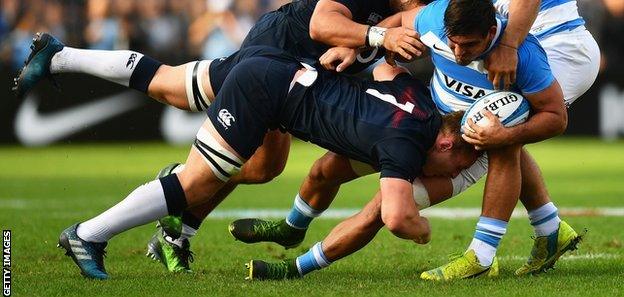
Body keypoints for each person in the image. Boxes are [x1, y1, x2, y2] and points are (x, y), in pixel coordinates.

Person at [13, 0, 430, 273]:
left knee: (176, 92)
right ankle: (144, 227)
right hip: (279, 55)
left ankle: (60, 55)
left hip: (288, 72)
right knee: (213, 168)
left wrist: (372, 42)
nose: (423, 9)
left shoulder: (402, 15)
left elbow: (389, 29)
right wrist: (376, 37)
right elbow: (324, 23)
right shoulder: (382, 14)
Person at [52, 44, 479, 280]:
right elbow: (398, 216)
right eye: (459, 166)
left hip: (283, 69)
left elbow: (389, 68)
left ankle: (59, 55)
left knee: (244, 158)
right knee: (197, 182)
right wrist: (425, 232)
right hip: (265, 89)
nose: (454, 175)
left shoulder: (420, 103)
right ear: (446, 145)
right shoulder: (407, 145)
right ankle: (88, 234)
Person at [242, 0, 583, 281]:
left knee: (384, 209)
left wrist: (504, 134)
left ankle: (296, 269)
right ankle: (292, 226)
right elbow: (402, 20)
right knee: (326, 168)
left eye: (470, 45)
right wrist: (357, 44)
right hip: (424, 120)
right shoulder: (436, 16)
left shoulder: (522, 58)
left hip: (463, 147)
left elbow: (556, 117)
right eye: (453, 42)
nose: (459, 53)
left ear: (493, 31)